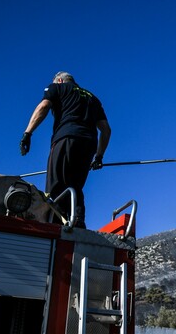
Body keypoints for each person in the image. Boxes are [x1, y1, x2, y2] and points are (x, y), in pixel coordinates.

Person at [20, 71, 111, 228]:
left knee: (56, 184)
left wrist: (27, 133)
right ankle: (78, 221)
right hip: (89, 143)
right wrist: (99, 157)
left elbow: (43, 106)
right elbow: (106, 130)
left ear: (59, 80)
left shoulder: (57, 88)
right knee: (75, 185)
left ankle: (55, 225)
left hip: (66, 138)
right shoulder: (93, 98)